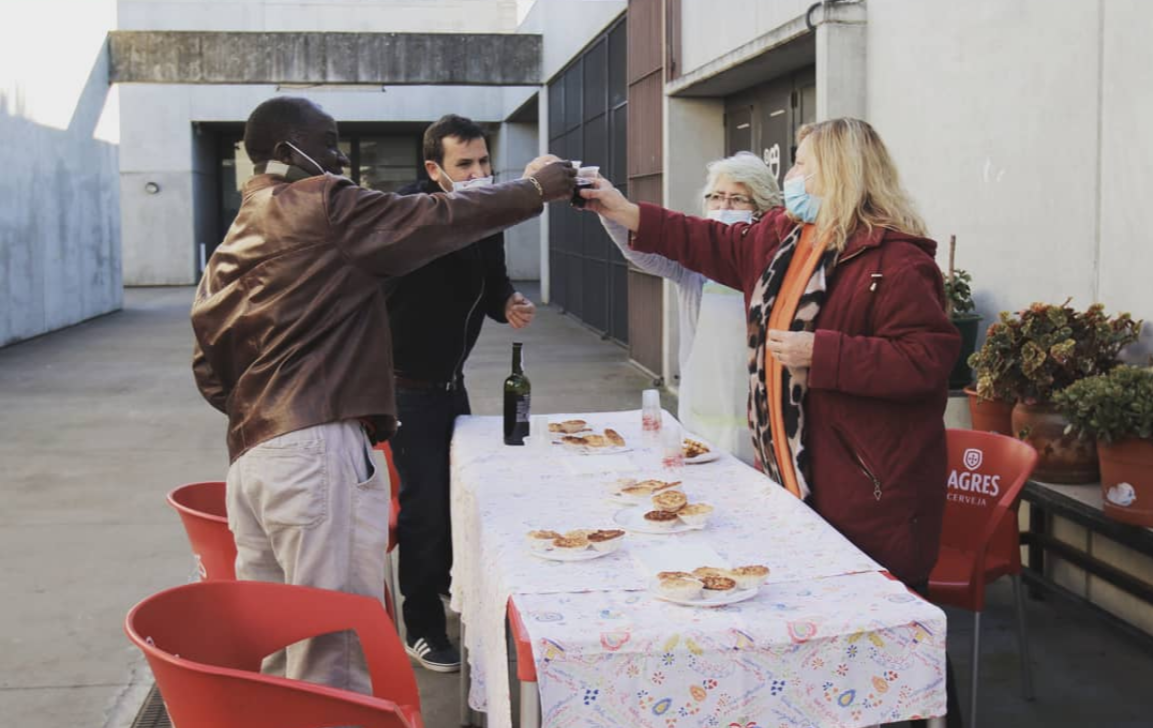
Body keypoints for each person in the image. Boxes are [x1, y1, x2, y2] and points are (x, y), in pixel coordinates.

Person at [582, 118, 962, 727]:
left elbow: (927, 361)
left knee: (884, 640)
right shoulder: (784, 237)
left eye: (803, 164)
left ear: (840, 172)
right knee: (821, 640)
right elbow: (706, 240)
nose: (792, 176)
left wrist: (824, 353)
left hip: (870, 491)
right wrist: (623, 209)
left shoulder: (894, 262)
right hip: (794, 480)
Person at [190, 96, 574, 695]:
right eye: (329, 141)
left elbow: (207, 366)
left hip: (253, 456)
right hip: (314, 449)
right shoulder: (322, 202)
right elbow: (435, 219)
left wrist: (264, 409)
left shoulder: (241, 229)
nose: (341, 157)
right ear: (289, 148)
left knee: (280, 646)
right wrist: (534, 190)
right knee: (336, 651)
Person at [387, 114, 536, 672]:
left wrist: (507, 302)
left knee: (462, 498)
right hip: (404, 389)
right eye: (464, 164)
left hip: (452, 385)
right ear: (435, 169)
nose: (478, 173)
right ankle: (422, 625)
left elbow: (493, 281)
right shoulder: (409, 214)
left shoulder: (485, 215)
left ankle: (453, 587)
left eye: (484, 162)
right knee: (425, 509)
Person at [600, 152, 779, 464]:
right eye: (716, 197)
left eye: (738, 199)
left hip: (759, 422)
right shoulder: (694, 262)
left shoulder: (776, 263)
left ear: (762, 208)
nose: (724, 207)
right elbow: (638, 249)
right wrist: (607, 209)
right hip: (701, 417)